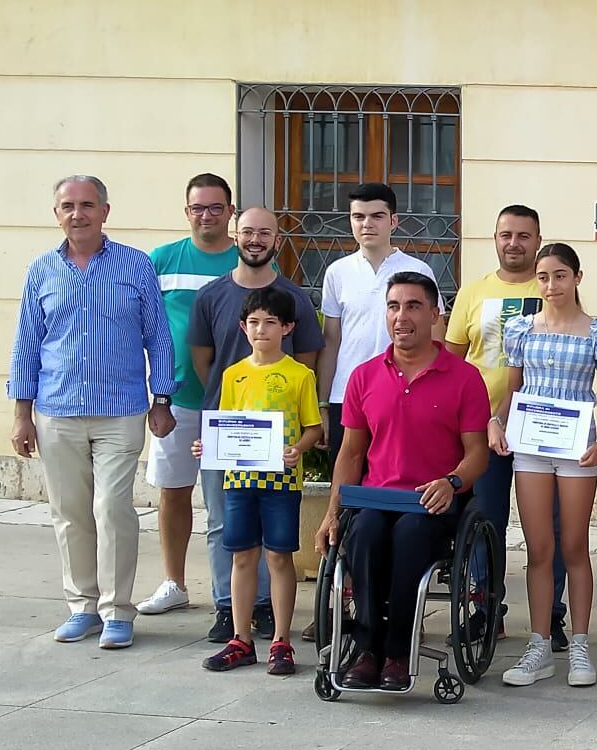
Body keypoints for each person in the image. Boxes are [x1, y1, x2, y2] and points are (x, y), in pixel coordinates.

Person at [9, 175, 176, 649]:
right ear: (56, 213)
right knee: (69, 513)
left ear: (106, 211)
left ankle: (117, 611)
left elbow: (158, 338)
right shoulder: (41, 270)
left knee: (111, 508)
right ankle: (82, 606)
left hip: (120, 409)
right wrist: (22, 414)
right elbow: (26, 346)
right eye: (68, 205)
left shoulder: (135, 265)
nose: (77, 213)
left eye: (87, 204)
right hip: (56, 409)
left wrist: (161, 399)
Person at [315, 273, 490, 691]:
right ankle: (367, 650)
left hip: (435, 501)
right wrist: (331, 514)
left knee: (412, 535)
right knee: (368, 533)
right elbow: (351, 453)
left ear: (434, 314)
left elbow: (477, 453)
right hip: (377, 498)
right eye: (394, 306)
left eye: (413, 306)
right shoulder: (364, 376)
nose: (401, 316)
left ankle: (395, 653)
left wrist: (452, 481)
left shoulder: (464, 378)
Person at [188, 207, 327, 640]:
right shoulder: (212, 295)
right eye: (247, 231)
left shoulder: (294, 298)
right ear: (235, 233)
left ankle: (267, 615)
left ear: (275, 240)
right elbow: (202, 361)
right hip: (232, 448)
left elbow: (306, 366)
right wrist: (220, 439)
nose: (254, 239)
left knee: (277, 549)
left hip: (281, 468)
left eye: (264, 232)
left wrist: (297, 444)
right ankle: (230, 612)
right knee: (226, 532)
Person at [492, 244, 597, 691]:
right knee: (538, 549)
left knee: (575, 545)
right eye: (544, 277)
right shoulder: (520, 330)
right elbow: (512, 390)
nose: (551, 285)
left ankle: (581, 643)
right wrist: (496, 422)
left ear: (577, 278)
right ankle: (539, 645)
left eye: (560, 275)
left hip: (575, 447)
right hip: (530, 445)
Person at [136, 173, 261, 639]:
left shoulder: (246, 257)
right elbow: (147, 326)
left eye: (215, 207)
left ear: (231, 210)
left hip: (235, 403)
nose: (207, 215)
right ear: (186, 212)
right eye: (197, 208)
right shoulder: (162, 260)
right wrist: (157, 393)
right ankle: (174, 582)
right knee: (173, 490)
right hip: (178, 398)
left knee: (230, 502)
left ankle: (236, 596)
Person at [446, 204, 568, 647]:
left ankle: (551, 613)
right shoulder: (473, 292)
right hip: (483, 431)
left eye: (522, 235)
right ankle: (484, 609)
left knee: (550, 528)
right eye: (505, 235)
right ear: (494, 239)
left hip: (543, 429)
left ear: (537, 240)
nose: (513, 243)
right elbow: (454, 362)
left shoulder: (554, 289)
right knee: (485, 520)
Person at [317, 182, 437, 461]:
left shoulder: (418, 271)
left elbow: (435, 339)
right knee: (348, 486)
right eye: (358, 217)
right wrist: (323, 403)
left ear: (393, 221)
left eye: (376, 216)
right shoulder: (337, 273)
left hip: (402, 395)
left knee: (398, 479)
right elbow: (331, 340)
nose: (366, 224)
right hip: (345, 396)